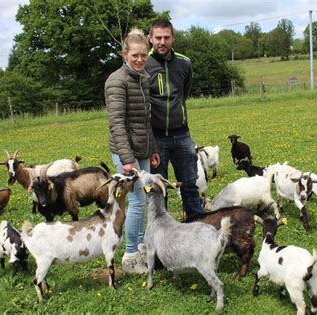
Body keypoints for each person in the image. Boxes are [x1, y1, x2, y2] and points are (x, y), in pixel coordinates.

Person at [104, 28, 160, 274]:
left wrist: (153, 148)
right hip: (126, 153)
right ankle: (129, 255)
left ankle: (140, 246)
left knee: (146, 198)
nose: (139, 59)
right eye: (135, 55)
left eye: (144, 55)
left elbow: (145, 120)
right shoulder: (116, 81)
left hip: (143, 149)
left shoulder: (143, 78)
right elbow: (116, 124)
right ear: (125, 53)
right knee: (136, 201)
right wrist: (127, 160)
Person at [145, 19, 205, 218]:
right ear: (150, 39)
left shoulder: (184, 63)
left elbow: (183, 93)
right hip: (156, 138)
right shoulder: (144, 64)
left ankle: (196, 225)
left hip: (182, 135)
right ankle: (162, 233)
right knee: (159, 188)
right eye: (158, 38)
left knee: (189, 183)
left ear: (173, 38)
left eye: (166, 37)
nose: (162, 42)